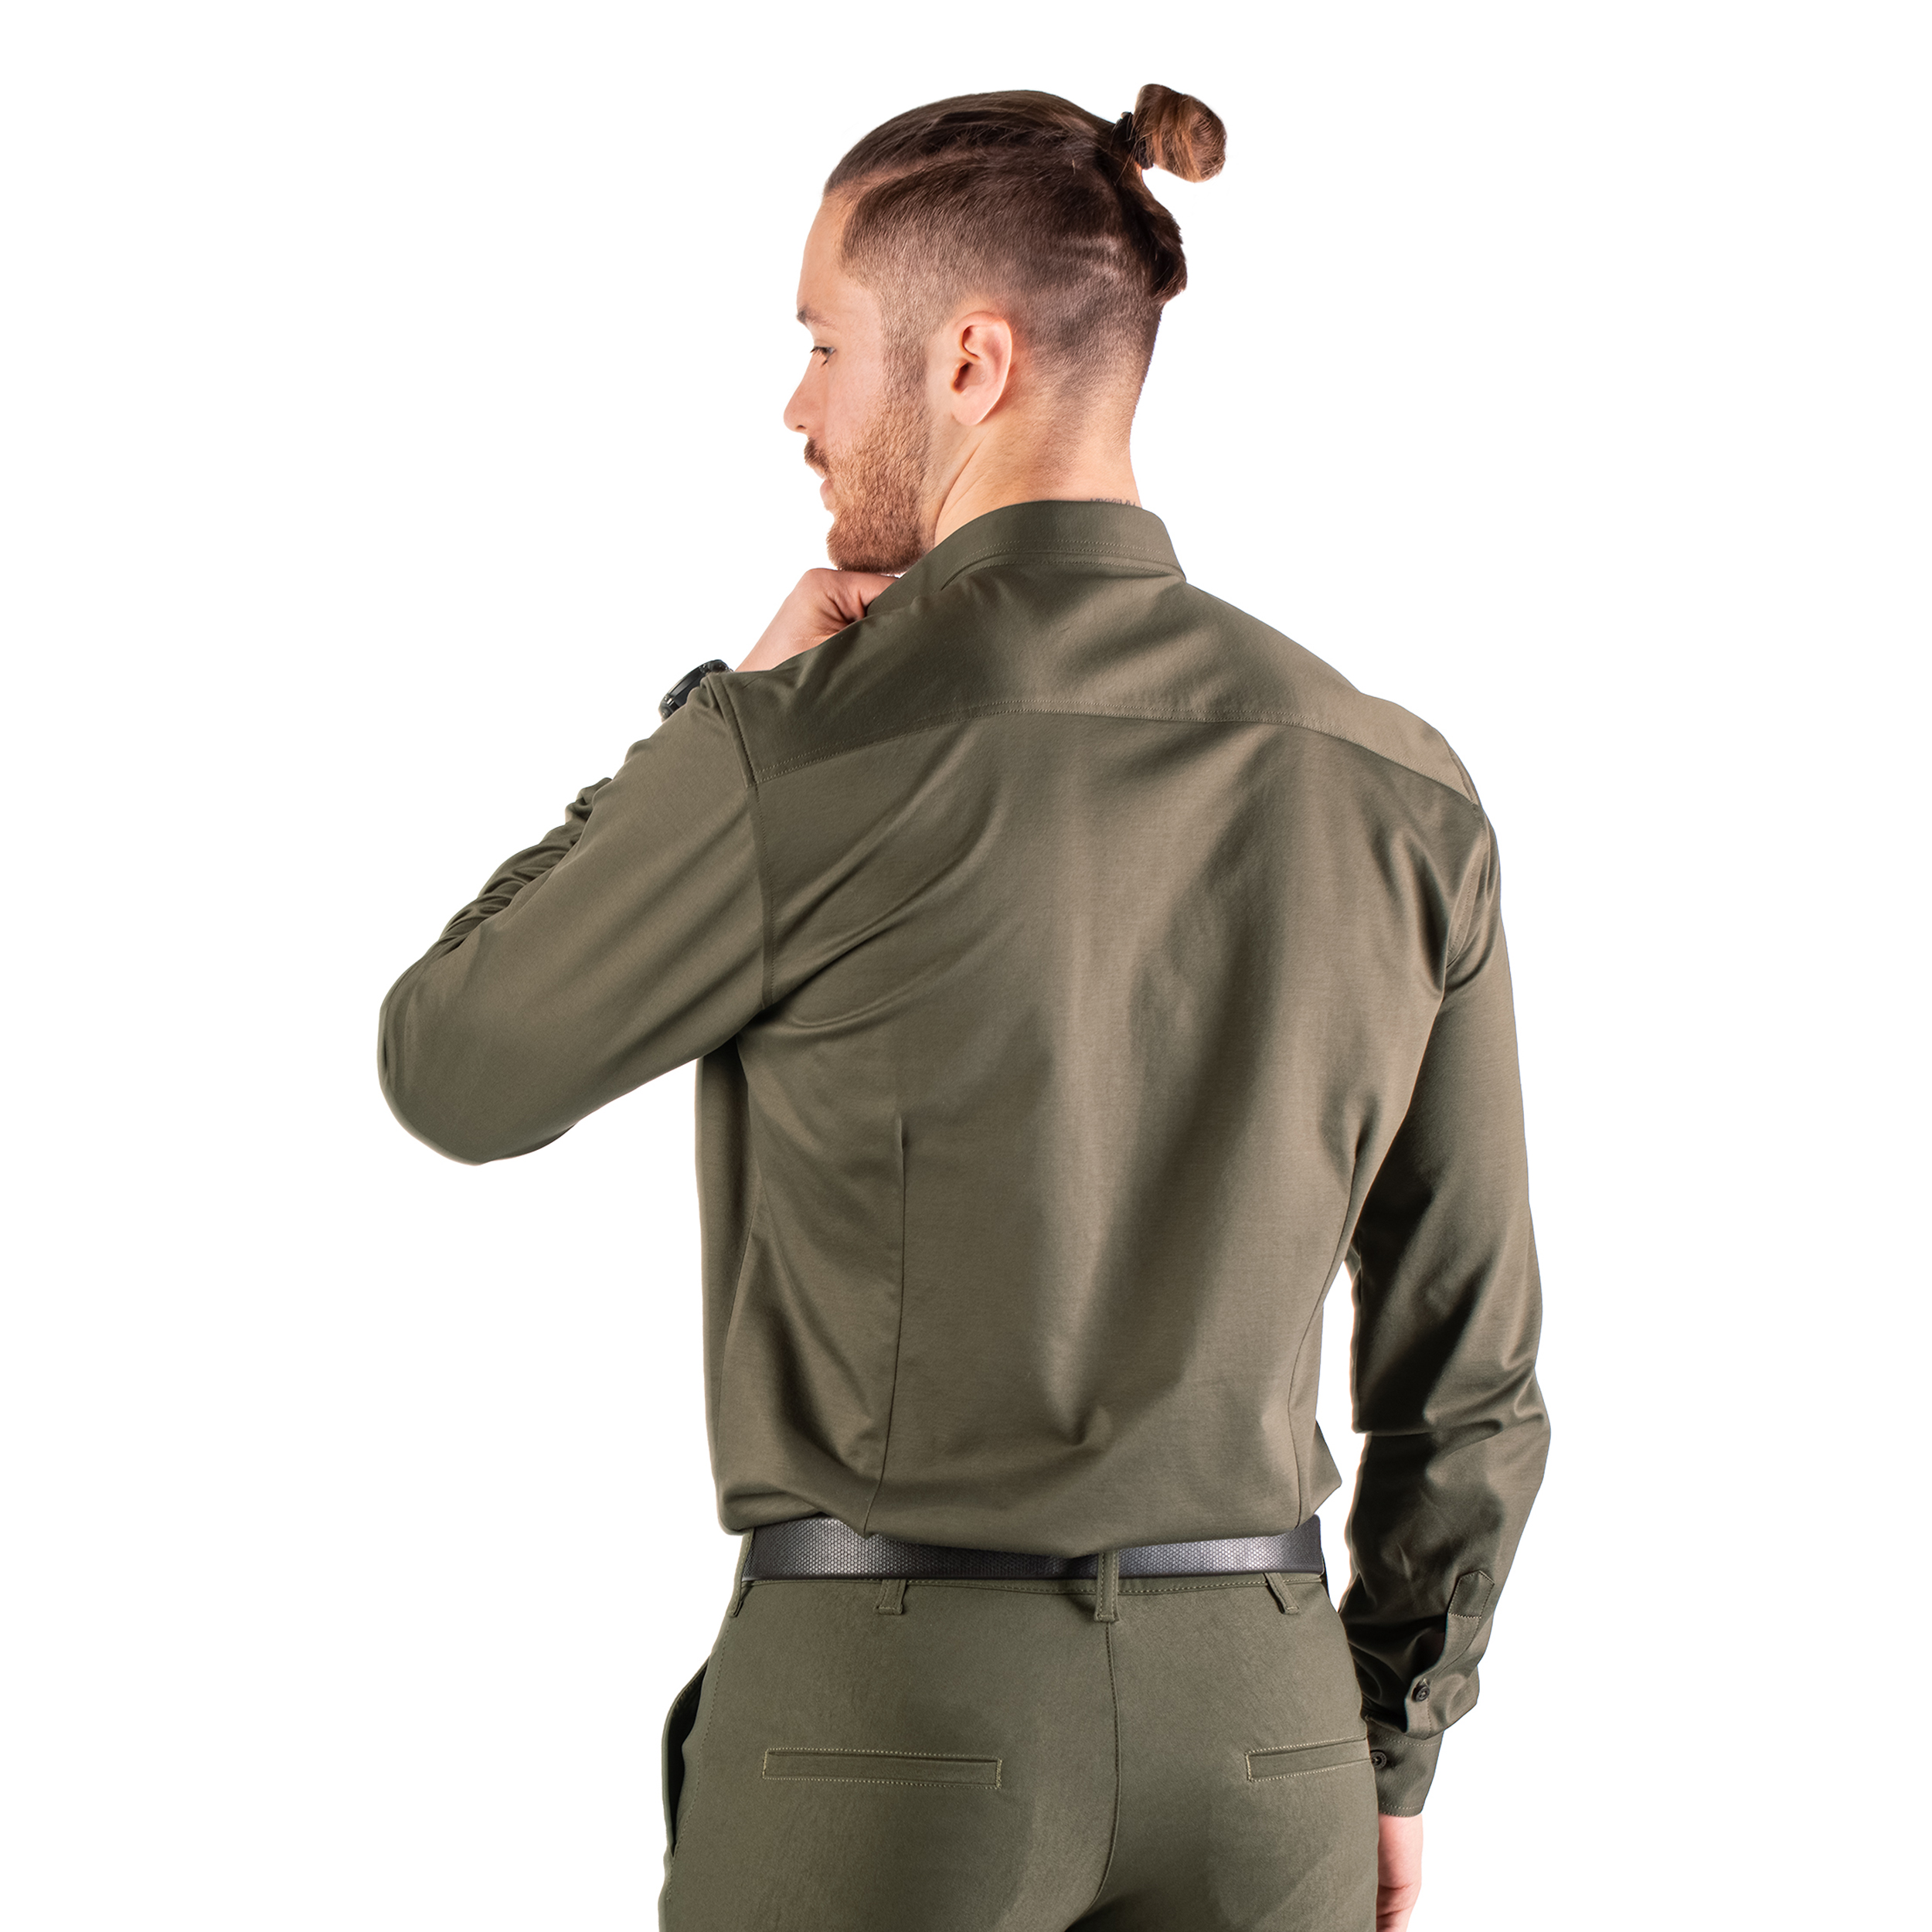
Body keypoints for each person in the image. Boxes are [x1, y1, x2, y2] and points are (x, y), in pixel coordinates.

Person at [379, 83, 1548, 1932]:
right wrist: (1388, 1741)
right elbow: (1467, 1359)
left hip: (887, 1728)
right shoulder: (1397, 781)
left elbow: (456, 1063)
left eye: (820, 345)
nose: (795, 409)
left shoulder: (803, 752)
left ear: (971, 361)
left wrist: (715, 716)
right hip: (1267, 1747)